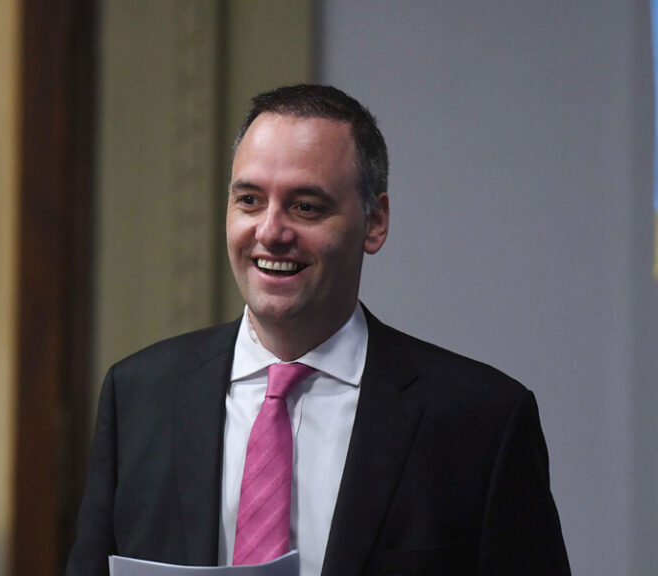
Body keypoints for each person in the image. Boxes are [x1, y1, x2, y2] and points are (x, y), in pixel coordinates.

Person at [67, 85, 570, 576]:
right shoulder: (138, 395)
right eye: (249, 200)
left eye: (306, 206)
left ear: (374, 222)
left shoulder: (482, 423)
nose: (270, 232)